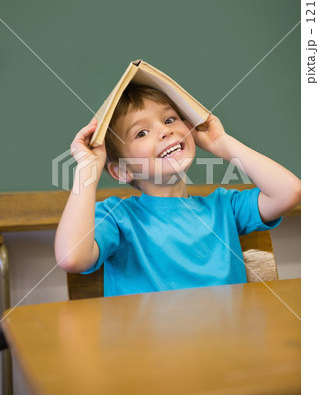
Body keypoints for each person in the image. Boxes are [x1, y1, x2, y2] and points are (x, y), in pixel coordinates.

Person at [54, 85, 301, 296]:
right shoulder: (119, 217)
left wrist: (221, 143)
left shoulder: (224, 207)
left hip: (226, 346)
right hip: (145, 351)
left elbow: (289, 192)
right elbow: (72, 257)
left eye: (170, 119)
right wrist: (88, 168)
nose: (165, 130)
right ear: (122, 171)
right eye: (141, 132)